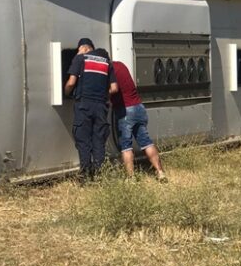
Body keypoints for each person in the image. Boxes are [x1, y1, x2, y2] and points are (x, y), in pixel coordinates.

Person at [64, 38, 118, 180]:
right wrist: (102, 95)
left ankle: (85, 175)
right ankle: (100, 174)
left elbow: (71, 82)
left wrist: (66, 93)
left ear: (84, 48)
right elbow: (114, 88)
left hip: (84, 105)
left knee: (83, 140)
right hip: (101, 106)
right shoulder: (107, 63)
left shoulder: (80, 59)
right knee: (98, 140)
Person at [110, 60, 166, 180]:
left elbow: (113, 89)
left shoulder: (108, 70)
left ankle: (131, 178)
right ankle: (160, 172)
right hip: (138, 107)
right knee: (146, 142)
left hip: (125, 110)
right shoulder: (120, 65)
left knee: (126, 147)